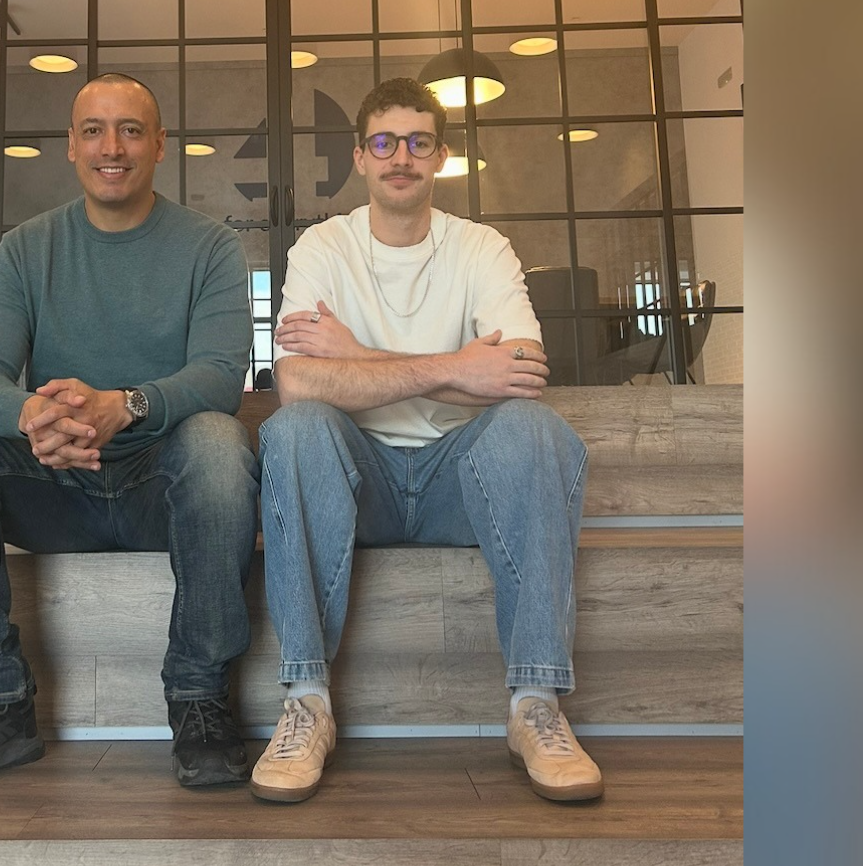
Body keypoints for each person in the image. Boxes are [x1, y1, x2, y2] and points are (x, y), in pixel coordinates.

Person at [0, 73, 258, 792]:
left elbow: (220, 375)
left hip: (161, 487)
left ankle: (199, 697)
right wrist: (34, 416)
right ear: (70, 145)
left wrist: (128, 404)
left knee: (220, 444)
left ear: (159, 144)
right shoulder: (26, 248)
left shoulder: (210, 246)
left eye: (130, 130)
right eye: (94, 130)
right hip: (53, 484)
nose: (111, 147)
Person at [248, 77, 601, 803]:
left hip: (460, 481)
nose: (399, 156)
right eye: (383, 142)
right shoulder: (324, 246)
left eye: (417, 142)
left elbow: (520, 375)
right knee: (295, 429)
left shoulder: (481, 247)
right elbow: (298, 384)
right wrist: (455, 368)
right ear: (359, 156)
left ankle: (535, 704)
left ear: (440, 156)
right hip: (359, 482)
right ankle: (306, 702)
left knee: (534, 429)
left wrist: (356, 355)